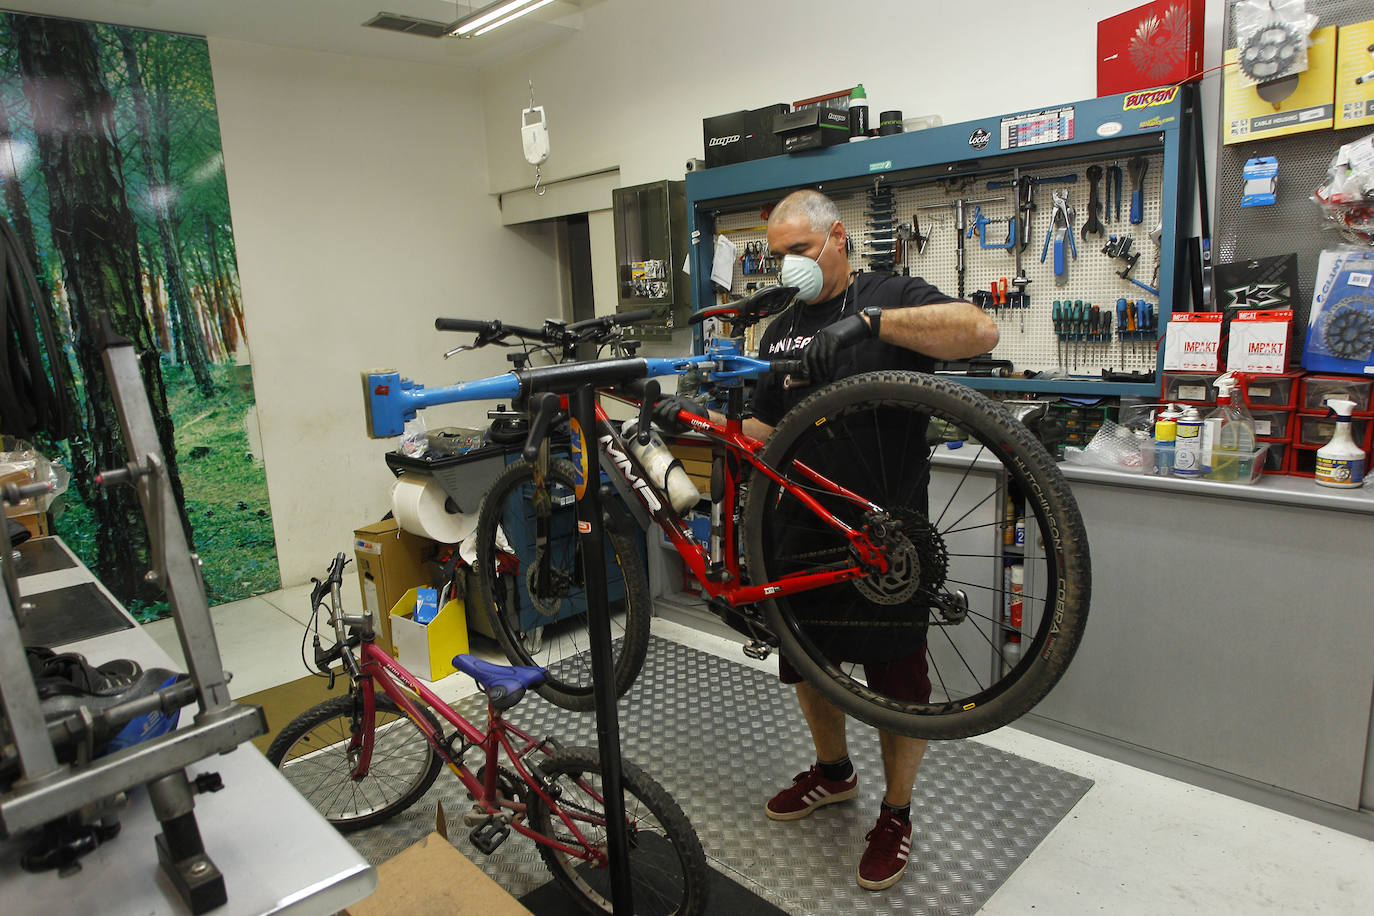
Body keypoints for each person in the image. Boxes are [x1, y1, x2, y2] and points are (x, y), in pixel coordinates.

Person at [677, 189, 998, 891]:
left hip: (886, 530)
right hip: (799, 525)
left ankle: (896, 812)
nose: (789, 265)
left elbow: (980, 331)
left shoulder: (892, 292)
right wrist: (705, 424)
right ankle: (834, 773)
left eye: (800, 250)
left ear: (839, 240)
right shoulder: (780, 329)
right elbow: (766, 427)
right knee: (808, 659)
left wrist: (871, 324)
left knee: (896, 676)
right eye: (777, 255)